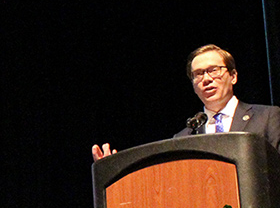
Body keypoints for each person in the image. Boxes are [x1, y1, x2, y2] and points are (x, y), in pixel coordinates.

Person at [92, 44, 280, 160]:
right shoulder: (184, 137)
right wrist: (114, 168)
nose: (206, 79)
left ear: (233, 76)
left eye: (214, 70)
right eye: (198, 74)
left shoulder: (268, 117)